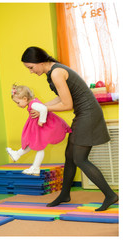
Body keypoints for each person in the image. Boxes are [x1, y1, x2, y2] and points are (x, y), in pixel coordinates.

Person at [21, 46, 118, 211]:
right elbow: (61, 96)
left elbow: (67, 104)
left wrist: (44, 109)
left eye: (31, 67)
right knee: (69, 155)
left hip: (88, 114)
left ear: (39, 61)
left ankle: (110, 195)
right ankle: (65, 194)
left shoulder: (57, 73)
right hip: (84, 113)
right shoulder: (52, 72)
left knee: (80, 159)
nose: (31, 71)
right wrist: (41, 106)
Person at [6, 84, 72, 175]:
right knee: (31, 143)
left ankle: (34, 167)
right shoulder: (32, 103)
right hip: (37, 128)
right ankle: (18, 155)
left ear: (25, 99)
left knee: (39, 147)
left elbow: (44, 109)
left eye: (18, 102)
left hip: (41, 127)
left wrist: (41, 120)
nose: (18, 105)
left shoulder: (33, 104)